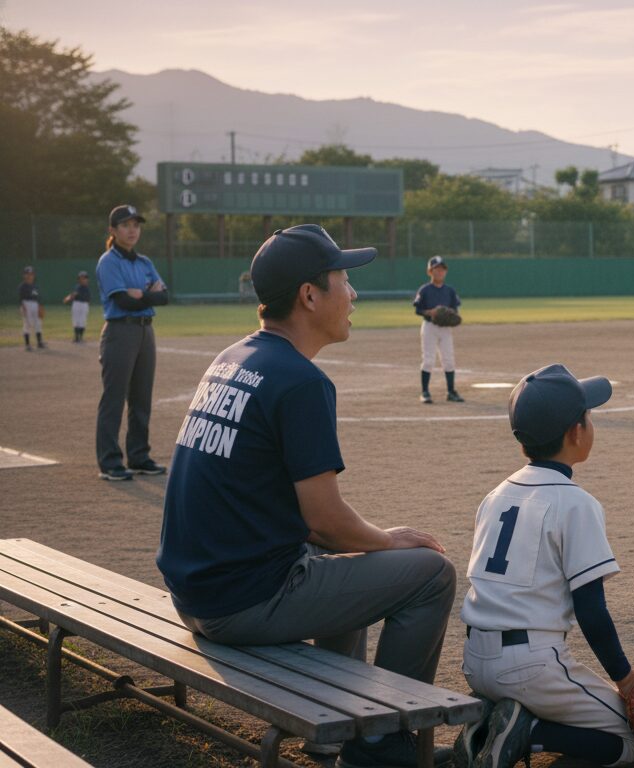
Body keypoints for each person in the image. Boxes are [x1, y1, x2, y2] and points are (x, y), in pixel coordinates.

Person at [156, 224, 457, 768]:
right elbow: (324, 521)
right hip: (241, 603)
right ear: (310, 295)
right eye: (343, 279)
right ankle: (382, 745)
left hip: (197, 592)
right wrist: (387, 540)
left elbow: (320, 527)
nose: (353, 293)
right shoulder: (300, 380)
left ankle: (336, 727)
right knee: (431, 574)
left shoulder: (234, 356)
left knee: (353, 553)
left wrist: (367, 542)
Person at [455, 364, 634, 768]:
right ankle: (528, 733)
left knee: (545, 696)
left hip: (475, 661)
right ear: (576, 432)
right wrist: (627, 680)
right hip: (530, 665)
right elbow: (591, 609)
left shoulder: (495, 495)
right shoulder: (576, 503)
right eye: (588, 415)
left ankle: (490, 720)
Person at [96, 205, 169, 481]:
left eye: (136, 225)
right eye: (125, 225)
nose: (132, 230)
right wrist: (147, 295)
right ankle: (110, 462)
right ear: (112, 230)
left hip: (145, 331)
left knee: (141, 398)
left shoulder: (144, 262)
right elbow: (123, 301)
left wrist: (141, 295)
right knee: (114, 398)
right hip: (120, 331)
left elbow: (164, 297)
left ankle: (139, 456)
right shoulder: (108, 261)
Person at [412, 255, 463, 404]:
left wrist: (450, 315)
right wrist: (431, 312)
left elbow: (455, 310)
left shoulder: (450, 291)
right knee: (428, 360)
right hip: (429, 327)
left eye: (442, 269)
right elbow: (418, 310)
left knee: (449, 360)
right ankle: (425, 392)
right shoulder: (425, 290)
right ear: (430, 271)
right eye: (436, 269)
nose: (440, 272)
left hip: (445, 329)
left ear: (445, 272)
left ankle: (451, 392)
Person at [18, 266, 45, 351]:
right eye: (27, 274)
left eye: (31, 274)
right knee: (27, 324)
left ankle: (39, 343)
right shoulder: (22, 286)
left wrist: (40, 307)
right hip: (26, 304)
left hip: (35, 305)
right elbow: (21, 299)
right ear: (24, 275)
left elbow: (37, 297)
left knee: (38, 323)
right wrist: (23, 307)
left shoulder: (35, 286)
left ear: (34, 275)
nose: (29, 276)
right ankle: (27, 345)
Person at [63, 270, 93, 343]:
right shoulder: (78, 287)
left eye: (84, 278)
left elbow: (88, 299)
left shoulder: (87, 288)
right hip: (77, 304)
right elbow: (74, 294)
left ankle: (81, 337)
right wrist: (68, 298)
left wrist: (68, 298)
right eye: (81, 278)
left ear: (87, 279)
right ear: (79, 279)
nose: (83, 279)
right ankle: (76, 337)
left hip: (84, 305)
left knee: (83, 321)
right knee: (76, 320)